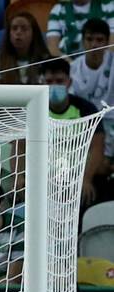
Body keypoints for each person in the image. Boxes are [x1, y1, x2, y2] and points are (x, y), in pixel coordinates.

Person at [41, 58, 106, 206]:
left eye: (59, 81)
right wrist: (20, 177)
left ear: (69, 82)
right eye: (49, 81)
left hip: (80, 177)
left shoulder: (86, 109)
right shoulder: (35, 109)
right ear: (42, 83)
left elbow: (97, 148)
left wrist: (86, 179)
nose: (54, 86)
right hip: (46, 179)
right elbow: (20, 146)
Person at [0, 12, 49, 86]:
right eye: (14, 28)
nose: (18, 32)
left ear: (34, 34)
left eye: (24, 29)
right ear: (9, 34)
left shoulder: (46, 61)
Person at [47, 0, 114, 58]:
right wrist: (73, 66)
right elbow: (53, 48)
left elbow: (112, 45)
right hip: (68, 63)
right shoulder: (58, 9)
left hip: (101, 61)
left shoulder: (108, 5)